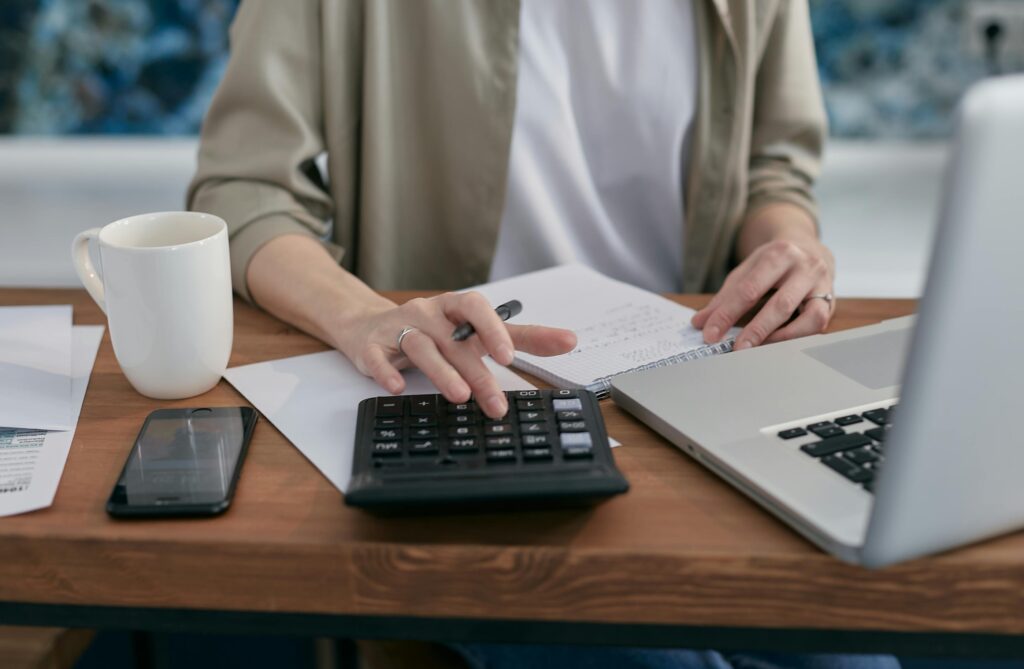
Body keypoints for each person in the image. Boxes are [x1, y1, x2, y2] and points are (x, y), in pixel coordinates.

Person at [188, 2, 894, 668]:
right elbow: (245, 189)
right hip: (468, 402)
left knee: (849, 653)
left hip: (692, 390)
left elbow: (776, 170)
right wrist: (365, 314)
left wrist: (792, 248)